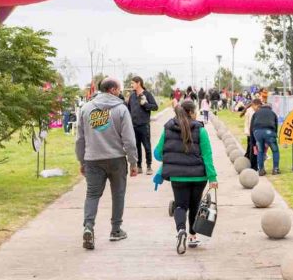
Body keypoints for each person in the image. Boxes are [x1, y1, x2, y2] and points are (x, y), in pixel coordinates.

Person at [76, 78, 139, 250]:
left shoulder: (86, 108)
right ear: (112, 90)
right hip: (117, 159)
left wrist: (82, 160)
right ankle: (116, 230)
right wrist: (133, 162)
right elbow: (129, 140)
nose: (120, 91)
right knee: (118, 194)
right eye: (118, 88)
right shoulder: (121, 109)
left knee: (92, 194)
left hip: (93, 160)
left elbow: (80, 139)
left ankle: (88, 226)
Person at [154, 100, 218, 254]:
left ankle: (180, 230)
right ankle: (192, 236)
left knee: (180, 206)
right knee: (195, 206)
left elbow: (157, 153)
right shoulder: (200, 130)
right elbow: (207, 156)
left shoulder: (168, 129)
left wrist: (171, 157)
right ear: (191, 112)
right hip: (198, 177)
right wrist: (212, 177)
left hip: (177, 177)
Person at [128, 76, 159, 175]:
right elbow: (129, 110)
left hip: (144, 125)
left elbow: (155, 107)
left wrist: (145, 104)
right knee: (136, 147)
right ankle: (139, 166)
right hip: (134, 126)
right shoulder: (132, 96)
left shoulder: (147, 94)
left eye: (133, 83)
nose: (131, 85)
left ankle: (149, 166)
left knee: (147, 146)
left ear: (138, 83)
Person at [250, 101, 280, 176]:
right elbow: (276, 126)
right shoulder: (273, 114)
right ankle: (275, 169)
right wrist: (275, 135)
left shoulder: (256, 113)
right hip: (269, 132)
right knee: (275, 150)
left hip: (257, 132)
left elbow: (251, 128)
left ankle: (261, 170)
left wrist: (253, 142)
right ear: (270, 108)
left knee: (260, 151)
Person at [242, 99, 262, 170]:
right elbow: (248, 123)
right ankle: (251, 164)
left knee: (250, 149)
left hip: (252, 132)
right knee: (252, 149)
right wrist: (248, 132)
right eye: (258, 106)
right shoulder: (250, 111)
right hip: (251, 133)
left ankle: (247, 161)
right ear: (254, 105)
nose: (258, 108)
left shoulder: (253, 110)